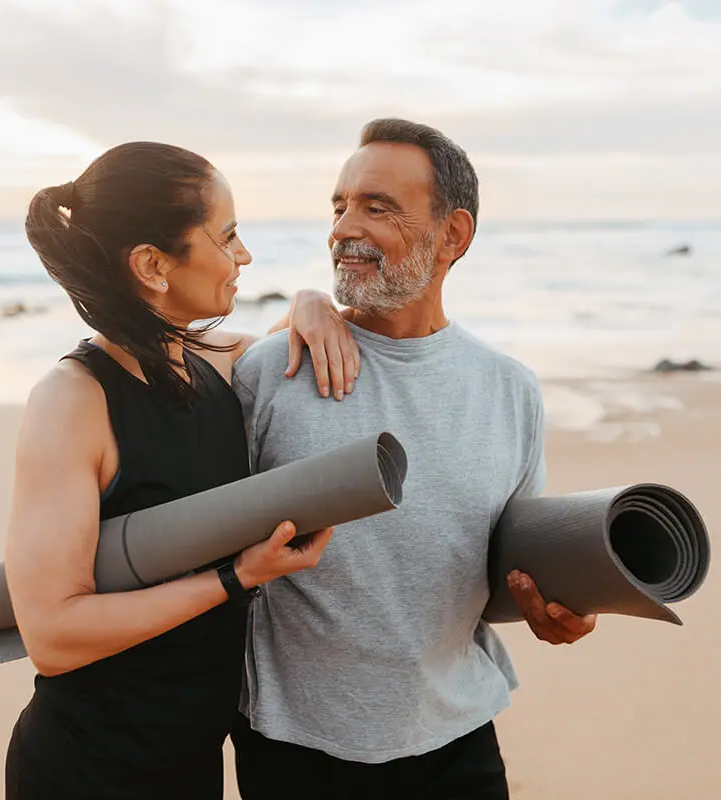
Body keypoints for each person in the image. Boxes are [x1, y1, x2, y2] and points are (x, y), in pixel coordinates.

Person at [231, 119, 598, 799]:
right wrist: (301, 305)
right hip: (295, 748)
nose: (344, 227)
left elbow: (502, 572)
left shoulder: (509, 390)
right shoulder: (272, 371)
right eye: (338, 206)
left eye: (377, 206)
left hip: (457, 742)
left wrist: (551, 609)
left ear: (453, 235)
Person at [3, 141, 359, 799]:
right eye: (227, 237)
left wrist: (312, 299)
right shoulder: (74, 400)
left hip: (193, 762)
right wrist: (237, 577)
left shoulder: (209, 361)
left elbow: (282, 339)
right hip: (90, 768)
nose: (244, 256)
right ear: (152, 265)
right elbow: (52, 633)